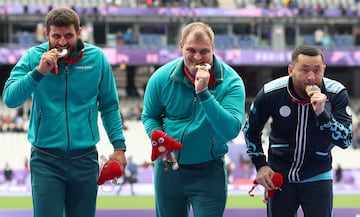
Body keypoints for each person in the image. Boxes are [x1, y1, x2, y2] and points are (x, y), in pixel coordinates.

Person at [2, 7, 127, 217]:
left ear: (79, 32)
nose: (62, 42)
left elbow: (109, 106)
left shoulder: (96, 59)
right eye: (56, 36)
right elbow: (10, 98)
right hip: (46, 159)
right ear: (46, 34)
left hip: (85, 159)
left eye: (68, 35)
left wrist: (119, 146)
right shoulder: (34, 57)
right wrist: (39, 72)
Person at [141, 22, 246, 217]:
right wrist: (159, 138)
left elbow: (231, 130)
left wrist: (204, 93)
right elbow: (149, 116)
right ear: (181, 47)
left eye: (204, 51)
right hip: (168, 168)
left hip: (209, 170)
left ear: (213, 49)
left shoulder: (231, 82)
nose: (197, 57)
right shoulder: (161, 77)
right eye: (191, 50)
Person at [243, 44, 353, 217]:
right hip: (279, 177)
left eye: (317, 70)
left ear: (324, 70)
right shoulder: (271, 92)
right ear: (291, 70)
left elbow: (345, 140)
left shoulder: (336, 93)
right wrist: (261, 165)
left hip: (318, 175)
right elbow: (250, 130)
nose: (311, 77)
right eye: (304, 70)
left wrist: (322, 115)